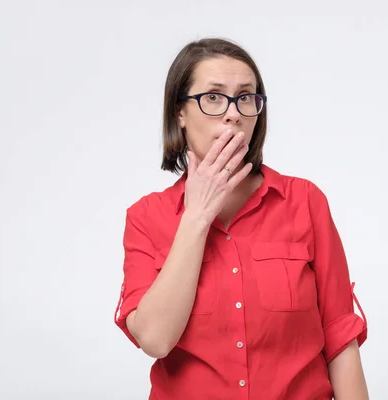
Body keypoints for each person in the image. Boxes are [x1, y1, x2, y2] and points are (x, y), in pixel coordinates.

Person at [114, 37, 369, 400]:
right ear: (180, 113)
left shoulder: (304, 202)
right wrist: (197, 216)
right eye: (214, 97)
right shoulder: (146, 218)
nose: (233, 112)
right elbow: (155, 339)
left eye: (246, 96)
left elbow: (340, 336)